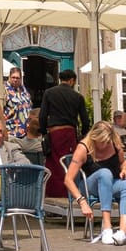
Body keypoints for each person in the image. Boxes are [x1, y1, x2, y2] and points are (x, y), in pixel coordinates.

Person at [65, 120, 126, 245]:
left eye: (107, 142)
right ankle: (107, 228)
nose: (105, 145)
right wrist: (82, 201)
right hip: (89, 186)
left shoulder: (114, 143)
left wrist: (125, 170)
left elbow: (123, 162)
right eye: (101, 142)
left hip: (110, 184)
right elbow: (68, 179)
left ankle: (122, 233)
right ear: (94, 137)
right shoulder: (83, 147)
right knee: (105, 173)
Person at [36, 68, 90, 198]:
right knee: (68, 163)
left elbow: (42, 115)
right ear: (72, 81)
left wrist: (43, 132)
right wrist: (84, 135)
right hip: (69, 133)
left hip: (54, 133)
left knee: (53, 164)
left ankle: (52, 194)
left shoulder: (49, 93)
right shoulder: (77, 97)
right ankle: (67, 194)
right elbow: (85, 119)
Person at [2, 67, 33, 141]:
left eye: (17, 78)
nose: (15, 80)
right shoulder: (4, 90)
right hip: (12, 131)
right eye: (13, 77)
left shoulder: (23, 89)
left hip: (26, 132)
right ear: (9, 77)